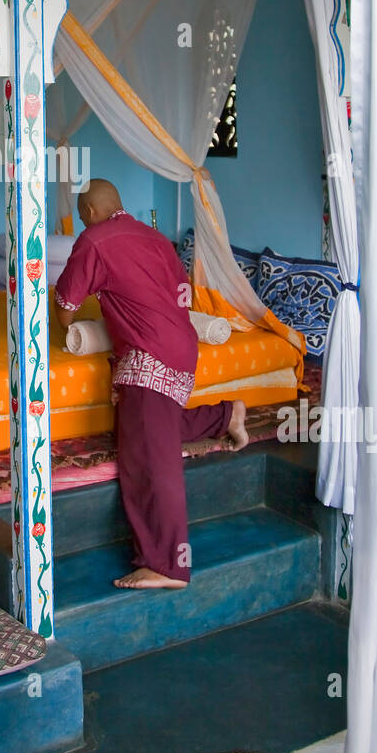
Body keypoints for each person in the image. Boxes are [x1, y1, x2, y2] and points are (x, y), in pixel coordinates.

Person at [54, 179, 247, 591]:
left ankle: (167, 565)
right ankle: (228, 414)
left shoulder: (93, 240)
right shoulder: (157, 238)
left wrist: (66, 330)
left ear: (87, 212)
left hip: (146, 354)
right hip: (182, 346)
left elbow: (66, 301)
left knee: (150, 460)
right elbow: (181, 295)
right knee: (152, 430)